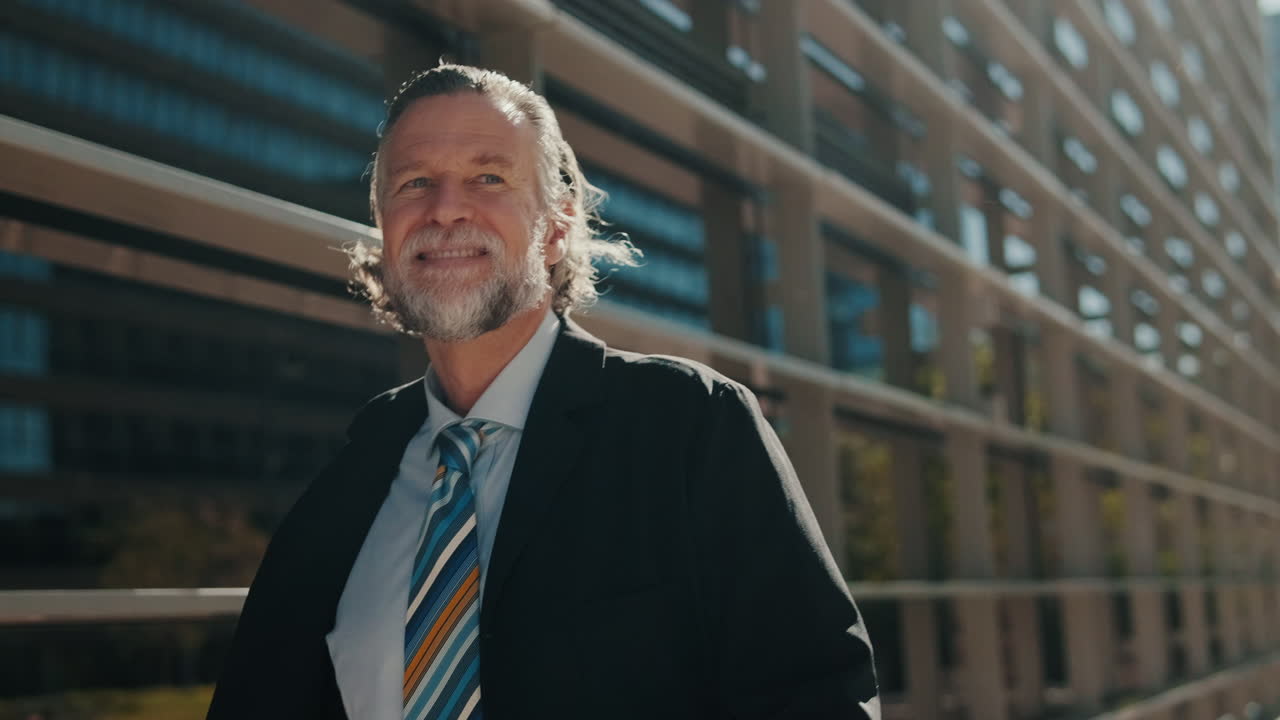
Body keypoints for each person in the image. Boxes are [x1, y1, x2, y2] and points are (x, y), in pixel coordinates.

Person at [206, 64, 878, 720]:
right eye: (415, 184)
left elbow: (817, 695)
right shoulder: (357, 471)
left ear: (556, 227)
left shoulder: (687, 426)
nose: (446, 209)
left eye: (488, 177)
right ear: (385, 229)